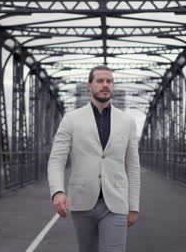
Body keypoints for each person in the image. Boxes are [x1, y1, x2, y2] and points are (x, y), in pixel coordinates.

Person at [47, 65, 141, 252]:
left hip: (116, 202)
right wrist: (57, 191)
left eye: (109, 81)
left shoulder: (127, 122)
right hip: (82, 201)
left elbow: (133, 166)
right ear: (89, 86)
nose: (105, 85)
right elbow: (56, 160)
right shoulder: (71, 119)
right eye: (100, 81)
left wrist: (134, 205)